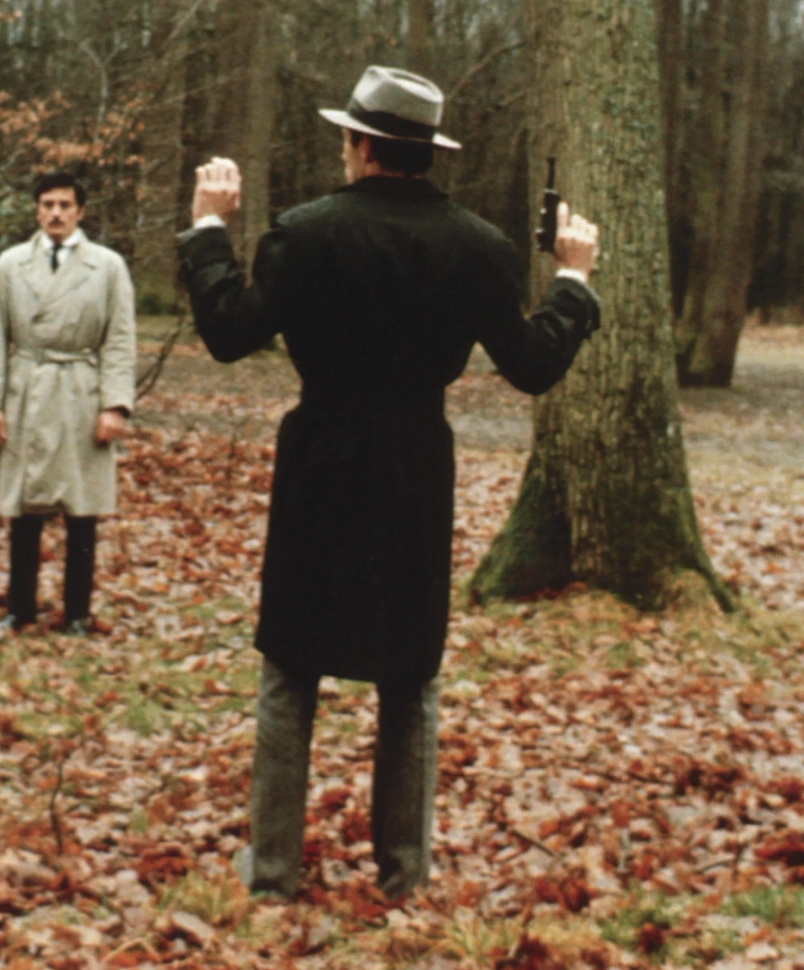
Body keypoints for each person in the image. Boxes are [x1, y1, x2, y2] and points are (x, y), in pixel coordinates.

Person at [178, 65, 601, 899]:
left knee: (291, 666)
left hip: (320, 463)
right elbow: (534, 364)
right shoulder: (479, 247)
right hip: (414, 466)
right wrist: (573, 279)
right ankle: (404, 873)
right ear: (422, 153)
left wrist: (207, 231)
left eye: (346, 138)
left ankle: (270, 873)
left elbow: (230, 333)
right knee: (409, 672)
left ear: (363, 147)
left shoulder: (305, 232)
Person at [0, 171, 136, 635]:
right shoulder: (10, 265)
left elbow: (120, 341)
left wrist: (115, 405)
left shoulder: (106, 266)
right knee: (24, 507)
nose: (56, 213)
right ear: (36, 210)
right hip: (25, 391)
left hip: (81, 394)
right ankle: (20, 606)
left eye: (65, 205)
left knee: (81, 509)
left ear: (81, 212)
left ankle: (78, 612)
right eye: (47, 204)